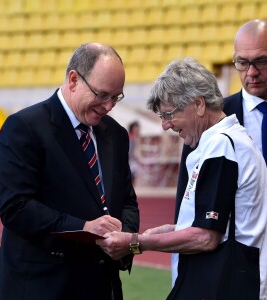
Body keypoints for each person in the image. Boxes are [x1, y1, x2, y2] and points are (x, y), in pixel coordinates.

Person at [96, 58, 267, 299]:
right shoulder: (223, 142)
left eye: (169, 114)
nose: (165, 125)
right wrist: (165, 231)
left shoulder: (222, 145)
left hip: (224, 285)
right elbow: (221, 224)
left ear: (198, 104)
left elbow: (206, 237)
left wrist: (136, 242)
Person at [0, 43, 139, 300]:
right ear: (73, 80)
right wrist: (83, 227)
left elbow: (126, 199)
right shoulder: (24, 127)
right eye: (102, 94)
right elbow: (16, 207)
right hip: (43, 287)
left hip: (101, 286)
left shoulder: (116, 134)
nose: (108, 106)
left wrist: (125, 238)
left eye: (116, 98)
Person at [176, 18, 267, 221]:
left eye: (261, 61)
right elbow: (187, 194)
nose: (252, 72)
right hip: (234, 243)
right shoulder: (211, 115)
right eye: (242, 63)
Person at [127, 121, 141, 185]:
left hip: (132, 162)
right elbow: (129, 151)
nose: (138, 131)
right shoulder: (131, 138)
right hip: (130, 162)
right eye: (136, 129)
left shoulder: (134, 138)